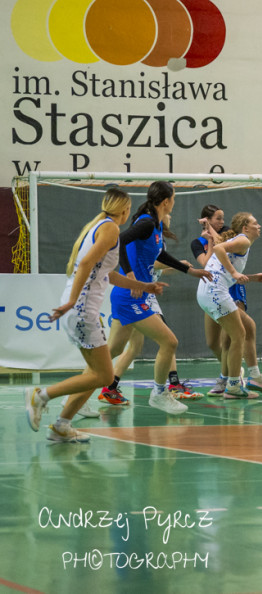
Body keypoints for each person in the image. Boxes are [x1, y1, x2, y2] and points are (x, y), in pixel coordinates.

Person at [25, 188, 167, 442]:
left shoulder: (99, 226)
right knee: (103, 375)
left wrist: (143, 286)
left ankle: (61, 426)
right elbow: (87, 263)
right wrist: (71, 302)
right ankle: (41, 396)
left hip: (80, 307)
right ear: (124, 210)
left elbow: (108, 273)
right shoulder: (111, 228)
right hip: (82, 308)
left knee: (95, 373)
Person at [104, 181, 213, 415]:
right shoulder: (146, 222)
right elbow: (119, 241)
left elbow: (160, 253)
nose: (174, 202)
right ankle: (160, 393)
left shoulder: (155, 224)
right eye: (173, 198)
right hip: (130, 296)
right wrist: (131, 276)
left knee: (113, 351)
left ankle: (76, 396)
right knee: (169, 341)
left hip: (131, 294)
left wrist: (190, 271)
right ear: (166, 201)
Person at [191, 204, 262, 396]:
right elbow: (219, 249)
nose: (259, 226)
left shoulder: (240, 242)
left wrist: (251, 277)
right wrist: (234, 272)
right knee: (237, 335)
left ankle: (238, 380)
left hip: (207, 290)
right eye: (255, 223)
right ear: (245, 228)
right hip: (215, 291)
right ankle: (233, 385)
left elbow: (222, 261)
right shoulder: (244, 240)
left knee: (246, 328)